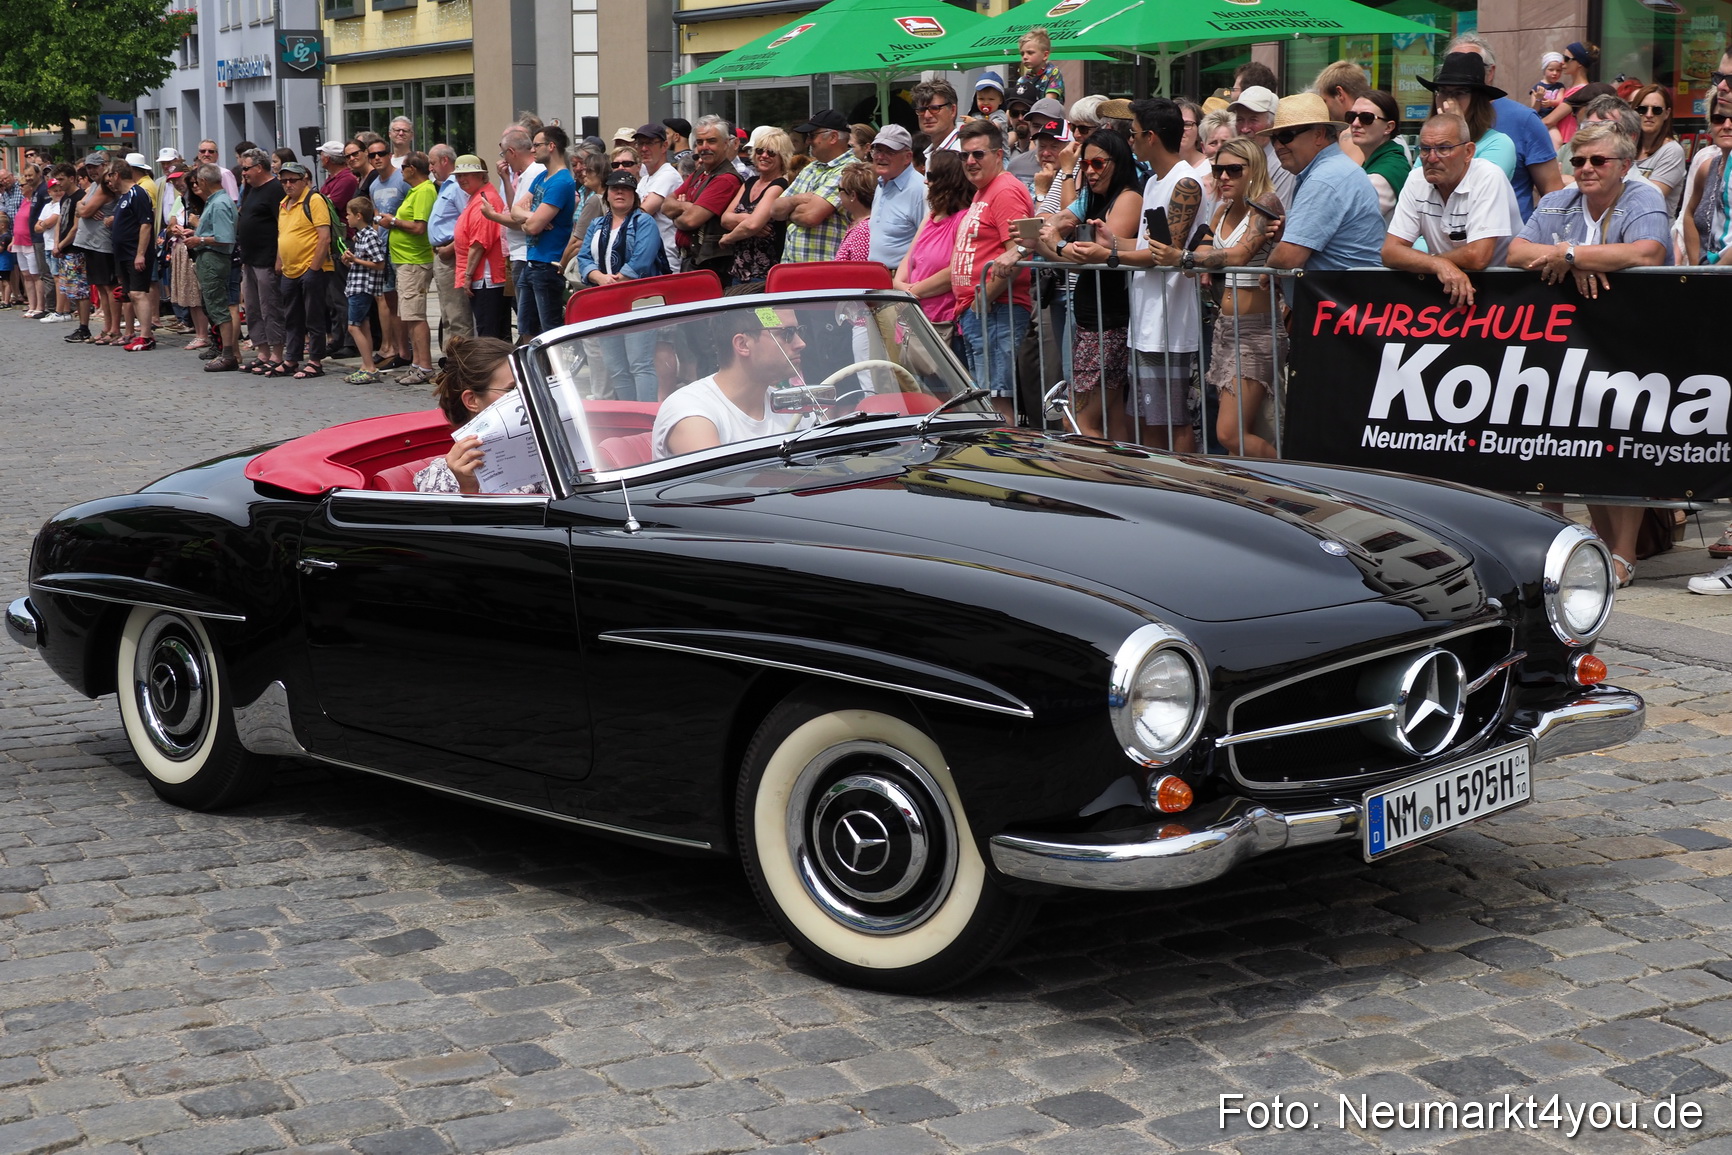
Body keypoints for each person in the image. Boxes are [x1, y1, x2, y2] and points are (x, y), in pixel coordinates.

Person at [1508, 121, 1670, 590]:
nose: (1585, 169)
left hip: (1638, 339)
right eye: (1577, 161)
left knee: (1624, 437)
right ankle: (1604, 542)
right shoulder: (1558, 200)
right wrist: (1570, 255)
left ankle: (1625, 553)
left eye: (1597, 161)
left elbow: (1648, 252)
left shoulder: (1643, 198)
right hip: (1578, 343)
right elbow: (1517, 250)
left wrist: (1574, 255)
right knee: (1586, 437)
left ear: (1624, 165)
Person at [1065, 98, 1205, 450]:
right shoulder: (1157, 181)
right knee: (1146, 424)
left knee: (1171, 423)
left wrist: (1107, 253)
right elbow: (1146, 244)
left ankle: (1184, 491)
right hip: (1145, 321)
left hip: (1167, 323)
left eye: (1136, 132)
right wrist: (1114, 241)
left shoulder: (1184, 182)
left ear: (1152, 137)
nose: (1131, 139)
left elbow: (1163, 253)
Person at [1187, 136, 1286, 458]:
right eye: (1218, 170)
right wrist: (1192, 256)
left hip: (1257, 331)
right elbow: (1203, 252)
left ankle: (1295, 479)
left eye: (1233, 170)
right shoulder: (1222, 209)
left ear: (1254, 170)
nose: (1224, 177)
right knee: (1244, 434)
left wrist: (1185, 256)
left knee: (1230, 434)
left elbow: (1240, 255)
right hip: (1225, 328)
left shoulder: (1267, 203)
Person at [1040, 128, 1141, 440]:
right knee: (1109, 418)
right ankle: (1123, 481)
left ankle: (1101, 481)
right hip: (1091, 322)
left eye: (1098, 164)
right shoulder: (1094, 197)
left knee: (1079, 421)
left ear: (1119, 161)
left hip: (1107, 324)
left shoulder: (1128, 198)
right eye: (1085, 165)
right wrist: (1044, 238)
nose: (1090, 171)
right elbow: (1056, 230)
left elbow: (1094, 256)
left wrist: (1054, 244)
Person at [1382, 113, 1523, 308]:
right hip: (1446, 290)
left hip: (1504, 295)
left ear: (1468, 152)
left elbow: (1478, 256)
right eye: (1425, 149)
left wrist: (1434, 262)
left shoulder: (1488, 177)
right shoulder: (1416, 180)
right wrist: (1437, 265)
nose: (1431, 158)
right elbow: (1390, 251)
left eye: (1443, 149)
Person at [950, 119, 1033, 423]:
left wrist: (983, 299)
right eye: (964, 155)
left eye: (978, 154)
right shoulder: (983, 191)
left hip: (997, 310)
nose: (970, 161)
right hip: (982, 312)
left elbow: (1018, 253)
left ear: (999, 155)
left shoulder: (1005, 190)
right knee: (988, 401)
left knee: (997, 404)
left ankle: (1004, 462)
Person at [652, 306, 808, 459]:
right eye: (787, 334)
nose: (801, 343)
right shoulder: (691, 411)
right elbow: (719, 482)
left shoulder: (791, 405)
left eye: (798, 331)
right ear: (743, 344)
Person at [1264, 93, 1386, 284]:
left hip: (1342, 305)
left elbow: (1288, 257)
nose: (1278, 146)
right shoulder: (1330, 171)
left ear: (1319, 135)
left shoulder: (1324, 178)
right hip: (1345, 302)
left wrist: (1267, 270)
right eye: (1274, 139)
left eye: (1286, 136)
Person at [1446, 33, 1564, 223]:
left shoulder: (1523, 119)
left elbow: (1553, 193)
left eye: (1471, 65)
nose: (1461, 74)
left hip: (1506, 241)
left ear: (1490, 72)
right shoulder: (1440, 116)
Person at [577, 170, 667, 403]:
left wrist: (614, 281)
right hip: (606, 302)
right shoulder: (597, 223)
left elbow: (642, 260)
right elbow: (584, 257)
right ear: (606, 193)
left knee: (640, 363)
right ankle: (629, 415)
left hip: (640, 302)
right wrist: (599, 278)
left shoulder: (644, 221)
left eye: (626, 189)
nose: (619, 192)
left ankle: (646, 418)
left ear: (634, 195)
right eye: (614, 188)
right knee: (615, 366)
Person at [418, 336, 547, 495]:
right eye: (512, 390)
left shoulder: (541, 452)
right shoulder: (443, 477)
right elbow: (453, 519)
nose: (528, 396)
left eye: (530, 385)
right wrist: (468, 489)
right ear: (472, 400)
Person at [894, 149, 970, 352]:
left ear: (946, 180)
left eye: (930, 176)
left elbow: (953, 271)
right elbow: (909, 258)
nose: (926, 182)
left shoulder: (963, 219)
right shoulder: (931, 217)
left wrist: (910, 292)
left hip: (943, 326)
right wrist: (898, 284)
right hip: (915, 322)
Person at [660, 115, 743, 284]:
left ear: (726, 143)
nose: (704, 147)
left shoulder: (726, 179)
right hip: (692, 262)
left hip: (710, 267)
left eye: (711, 141)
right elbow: (666, 205)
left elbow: (690, 220)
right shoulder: (701, 172)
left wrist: (678, 214)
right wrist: (687, 205)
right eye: (699, 142)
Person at [379, 152, 438, 385]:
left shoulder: (424, 191)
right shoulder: (415, 191)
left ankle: (425, 366)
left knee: (415, 315)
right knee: (409, 315)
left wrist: (392, 221)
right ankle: (417, 363)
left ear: (413, 169)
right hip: (405, 261)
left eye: (403, 167)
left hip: (414, 261)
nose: (400, 171)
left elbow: (419, 227)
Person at [514, 125, 577, 341]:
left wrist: (529, 220)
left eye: (536, 145)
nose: (532, 150)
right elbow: (515, 211)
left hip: (547, 265)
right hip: (531, 262)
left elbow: (530, 227)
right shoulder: (541, 177)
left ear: (551, 146)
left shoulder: (562, 181)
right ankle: (536, 373)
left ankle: (553, 374)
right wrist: (533, 217)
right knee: (526, 328)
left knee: (550, 332)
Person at [482, 126, 544, 341]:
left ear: (512, 152)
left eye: (503, 153)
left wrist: (492, 216)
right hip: (519, 253)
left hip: (528, 254)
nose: (504, 159)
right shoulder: (522, 174)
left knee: (530, 324)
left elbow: (519, 218)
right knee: (526, 322)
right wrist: (507, 180)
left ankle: (541, 370)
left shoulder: (535, 172)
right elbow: (515, 207)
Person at [273, 162, 334, 379]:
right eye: (284, 181)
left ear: (304, 180)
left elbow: (324, 236)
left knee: (313, 316)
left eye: (293, 180)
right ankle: (292, 359)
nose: (288, 185)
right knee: (292, 316)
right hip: (290, 269)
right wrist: (279, 261)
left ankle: (315, 361)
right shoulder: (283, 204)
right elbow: (284, 235)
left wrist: (313, 268)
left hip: (310, 268)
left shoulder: (313, 200)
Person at [775, 109, 856, 263]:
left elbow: (810, 216)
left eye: (812, 135)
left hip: (825, 270)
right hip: (793, 266)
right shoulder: (811, 167)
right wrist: (796, 200)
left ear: (833, 137)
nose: (808, 141)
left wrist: (789, 212)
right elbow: (775, 210)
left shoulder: (849, 169)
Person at [1419, 53, 1517, 180]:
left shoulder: (1500, 143)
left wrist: (1457, 131)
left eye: (1459, 93)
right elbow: (1419, 183)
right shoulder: (1429, 143)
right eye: (1443, 91)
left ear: (1477, 100)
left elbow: (1476, 186)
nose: (1449, 100)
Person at [183, 164, 239, 372]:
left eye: (198, 181)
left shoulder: (220, 203)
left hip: (215, 259)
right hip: (209, 257)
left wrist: (200, 239)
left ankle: (228, 354)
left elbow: (225, 238)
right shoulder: (215, 202)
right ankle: (224, 350)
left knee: (218, 306)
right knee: (212, 305)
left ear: (205, 182)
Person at [234, 149, 285, 373]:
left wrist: (279, 258)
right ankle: (262, 351)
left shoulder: (274, 189)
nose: (243, 173)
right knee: (252, 308)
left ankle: (277, 353)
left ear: (259, 167)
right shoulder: (250, 190)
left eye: (246, 168)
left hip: (267, 258)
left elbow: (283, 225)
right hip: (250, 258)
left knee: (270, 307)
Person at [720, 129, 791, 286]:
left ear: (782, 157)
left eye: (771, 152)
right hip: (738, 271)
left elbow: (751, 226)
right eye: (760, 150)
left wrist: (727, 238)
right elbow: (725, 219)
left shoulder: (780, 185)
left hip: (764, 275)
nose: (764, 155)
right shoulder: (750, 182)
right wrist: (749, 219)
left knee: (763, 312)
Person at [452, 157, 509, 342]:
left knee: (488, 335)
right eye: (458, 176)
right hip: (485, 278)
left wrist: (467, 276)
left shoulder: (485, 199)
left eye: (466, 174)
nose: (461, 180)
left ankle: (493, 370)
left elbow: (479, 243)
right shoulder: (478, 197)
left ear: (480, 175)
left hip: (486, 279)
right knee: (492, 332)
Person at [425, 143, 473, 344]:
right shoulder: (446, 186)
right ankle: (451, 364)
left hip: (452, 255)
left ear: (445, 161)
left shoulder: (458, 188)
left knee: (456, 315)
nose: (430, 168)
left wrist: (449, 248)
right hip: (442, 254)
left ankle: (461, 365)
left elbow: (469, 222)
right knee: (447, 314)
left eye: (433, 163)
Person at [108, 158, 155, 350]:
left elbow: (145, 224)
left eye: (110, 175)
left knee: (138, 293)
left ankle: (147, 335)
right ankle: (139, 333)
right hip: (123, 253)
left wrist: (140, 254)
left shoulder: (138, 193)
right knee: (130, 294)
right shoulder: (123, 197)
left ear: (117, 175)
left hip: (134, 252)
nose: (109, 181)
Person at [866, 125, 924, 273]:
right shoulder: (882, 183)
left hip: (902, 280)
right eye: (877, 150)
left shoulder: (920, 189)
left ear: (908, 157)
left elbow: (927, 245)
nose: (880, 157)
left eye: (889, 152)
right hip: (878, 277)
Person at [1230, 86, 1296, 209]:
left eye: (1253, 120)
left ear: (1272, 124)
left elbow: (1275, 216)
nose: (1244, 129)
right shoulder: (1227, 161)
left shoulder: (1282, 164)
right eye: (1240, 120)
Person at [1685, 100, 1732, 266]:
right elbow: (1689, 214)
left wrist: (1714, 274)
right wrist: (1695, 267)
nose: (1726, 125)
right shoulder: (1707, 167)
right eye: (1719, 118)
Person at [1627, 85, 1686, 217]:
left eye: (1656, 110)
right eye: (1642, 109)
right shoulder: (1625, 147)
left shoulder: (1672, 151)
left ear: (1666, 114)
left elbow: (1649, 198)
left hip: (1655, 230)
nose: (1649, 115)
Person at [1352, 90, 1409, 222]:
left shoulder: (1390, 169)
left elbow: (1351, 220)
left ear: (1388, 127)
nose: (1355, 123)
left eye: (1366, 118)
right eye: (1351, 116)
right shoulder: (1375, 160)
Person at [631, 124, 682, 270]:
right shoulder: (646, 179)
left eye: (650, 143)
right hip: (646, 258)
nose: (644, 148)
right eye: (640, 143)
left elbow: (642, 213)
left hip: (666, 260)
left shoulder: (668, 175)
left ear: (664, 146)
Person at [1314, 60, 1374, 163]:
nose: (1324, 107)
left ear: (1339, 94)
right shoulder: (1378, 130)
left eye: (1325, 101)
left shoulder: (1354, 133)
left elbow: (1348, 178)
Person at [1542, 41, 1599, 146]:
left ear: (1579, 63)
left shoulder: (1580, 91)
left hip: (1567, 144)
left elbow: (1549, 121)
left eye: (1567, 59)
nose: (1562, 62)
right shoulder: (1570, 89)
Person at [1012, 26, 1065, 108]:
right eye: (1022, 53)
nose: (1025, 57)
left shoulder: (1053, 73)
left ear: (1045, 55)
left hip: (1048, 116)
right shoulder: (1023, 80)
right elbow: (1014, 104)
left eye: (1030, 53)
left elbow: (1049, 102)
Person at [912, 80, 964, 153]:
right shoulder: (925, 154)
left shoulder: (964, 152)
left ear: (952, 110)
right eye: (922, 109)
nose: (927, 116)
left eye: (934, 108)